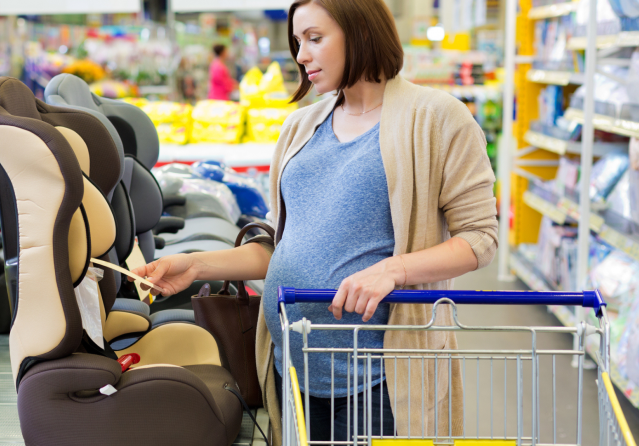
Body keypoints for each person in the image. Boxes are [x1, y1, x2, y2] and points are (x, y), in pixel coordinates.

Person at [132, 0, 497, 443]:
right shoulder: (301, 126)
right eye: (298, 41)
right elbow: (282, 244)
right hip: (294, 364)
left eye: (315, 38)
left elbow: (479, 239)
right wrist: (194, 266)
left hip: (380, 376)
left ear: (360, 31)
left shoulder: (438, 119)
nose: (301, 55)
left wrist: (392, 270)